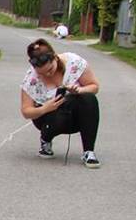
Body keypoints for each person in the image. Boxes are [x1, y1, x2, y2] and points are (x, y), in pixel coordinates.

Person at [20, 38, 101, 168]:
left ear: (55, 58)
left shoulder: (74, 62)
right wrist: (45, 108)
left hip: (74, 115)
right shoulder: (31, 78)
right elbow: (26, 111)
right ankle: (45, 140)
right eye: (43, 73)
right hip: (48, 118)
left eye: (50, 69)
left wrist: (80, 90)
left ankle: (88, 151)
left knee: (89, 99)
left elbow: (94, 87)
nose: (48, 74)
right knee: (57, 109)